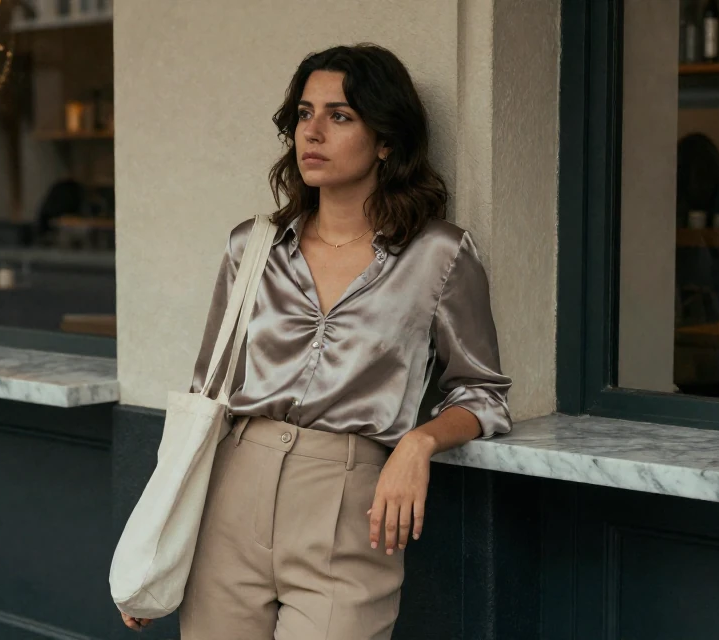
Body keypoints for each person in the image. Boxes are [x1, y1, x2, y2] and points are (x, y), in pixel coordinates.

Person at [121, 44, 512, 639]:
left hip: (352, 507)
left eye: (340, 115)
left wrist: (418, 444)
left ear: (385, 140)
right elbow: (209, 395)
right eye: (305, 114)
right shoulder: (252, 248)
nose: (314, 132)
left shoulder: (439, 255)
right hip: (233, 493)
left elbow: (482, 392)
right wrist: (161, 544)